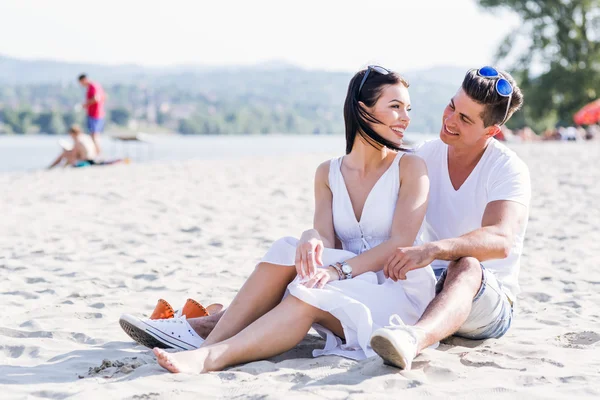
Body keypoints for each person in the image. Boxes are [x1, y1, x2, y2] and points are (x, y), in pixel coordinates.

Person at [119, 66, 438, 373]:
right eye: (395, 107)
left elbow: (401, 243)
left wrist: (336, 270)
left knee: (310, 293)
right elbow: (327, 241)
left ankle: (209, 355)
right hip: (349, 279)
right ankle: (208, 346)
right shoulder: (328, 172)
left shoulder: (410, 167)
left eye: (408, 108)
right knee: (291, 246)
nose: (406, 118)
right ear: (361, 108)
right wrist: (311, 236)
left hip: (397, 291)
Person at [368, 66, 530, 370]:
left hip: (487, 301)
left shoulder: (508, 168)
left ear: (491, 131)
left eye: (465, 119)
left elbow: (501, 239)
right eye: (452, 107)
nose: (450, 120)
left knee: (466, 264)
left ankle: (413, 339)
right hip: (432, 286)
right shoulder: (423, 155)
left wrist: (434, 249)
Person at [78, 74, 106, 155]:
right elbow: (103, 97)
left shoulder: (92, 86)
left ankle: (98, 153)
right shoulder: (97, 85)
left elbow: (96, 98)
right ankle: (97, 153)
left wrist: (85, 105)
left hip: (95, 113)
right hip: (99, 113)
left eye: (81, 83)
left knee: (94, 135)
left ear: (84, 80)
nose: (82, 85)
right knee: (96, 134)